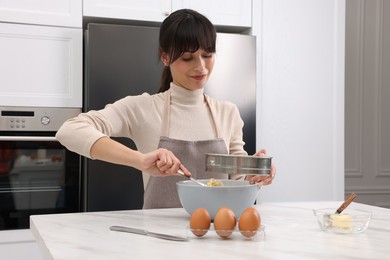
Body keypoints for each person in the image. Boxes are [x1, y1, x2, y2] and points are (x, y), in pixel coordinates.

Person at [56, 9, 276, 209]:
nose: (201, 67)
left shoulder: (228, 112)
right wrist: (140, 160)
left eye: (207, 55)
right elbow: (69, 130)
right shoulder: (143, 108)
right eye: (187, 57)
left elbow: (236, 182)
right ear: (165, 57)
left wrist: (255, 175)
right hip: (158, 241)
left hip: (215, 237)